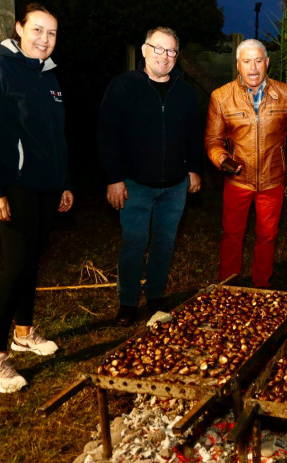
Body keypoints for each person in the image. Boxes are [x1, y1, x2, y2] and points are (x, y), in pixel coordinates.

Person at [0, 3, 73, 393]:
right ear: (19, 29)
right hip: (14, 186)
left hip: (48, 187)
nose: (44, 39)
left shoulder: (49, 76)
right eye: (38, 30)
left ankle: (23, 333)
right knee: (15, 267)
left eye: (52, 33)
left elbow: (57, 137)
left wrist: (64, 182)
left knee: (32, 262)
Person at [99, 26, 202, 326]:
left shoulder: (183, 91)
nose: (164, 56)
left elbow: (192, 134)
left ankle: (155, 295)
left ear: (176, 56)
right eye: (158, 48)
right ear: (144, 50)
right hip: (134, 185)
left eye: (171, 51)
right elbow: (107, 136)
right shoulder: (122, 86)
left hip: (174, 186)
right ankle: (128, 302)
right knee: (134, 241)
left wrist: (193, 169)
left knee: (164, 242)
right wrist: (113, 178)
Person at [205, 39, 287, 288]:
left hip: (272, 179)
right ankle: (228, 286)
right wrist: (221, 158)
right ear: (238, 64)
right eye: (247, 61)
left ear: (267, 63)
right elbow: (213, 139)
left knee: (268, 236)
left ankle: (262, 286)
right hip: (237, 180)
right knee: (231, 235)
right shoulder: (221, 97)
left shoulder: (286, 93)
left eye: (258, 61)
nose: (253, 67)